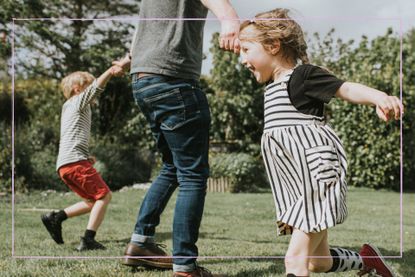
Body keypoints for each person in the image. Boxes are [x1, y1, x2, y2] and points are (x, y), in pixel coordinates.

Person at [238, 8, 402, 277]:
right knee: (318, 262)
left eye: (246, 50)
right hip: (298, 187)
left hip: (316, 179)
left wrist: (379, 97)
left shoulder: (302, 76)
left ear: (273, 45)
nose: (242, 60)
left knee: (295, 261)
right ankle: (367, 261)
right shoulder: (273, 88)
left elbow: (345, 88)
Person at [112, 0, 239, 276]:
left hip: (143, 79)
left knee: (172, 166)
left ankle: (140, 243)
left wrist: (131, 58)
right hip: (173, 79)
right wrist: (229, 18)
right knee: (193, 175)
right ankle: (185, 265)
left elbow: (142, 31)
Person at [41, 65, 123, 251]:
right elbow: (97, 88)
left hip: (65, 164)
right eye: (88, 84)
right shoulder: (78, 101)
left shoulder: (68, 107)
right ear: (78, 89)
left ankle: (56, 217)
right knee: (104, 196)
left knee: (93, 201)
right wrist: (110, 71)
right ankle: (88, 239)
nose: (92, 88)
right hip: (75, 162)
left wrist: (86, 156)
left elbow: (72, 135)